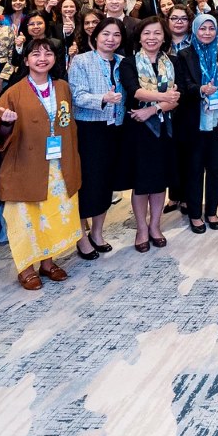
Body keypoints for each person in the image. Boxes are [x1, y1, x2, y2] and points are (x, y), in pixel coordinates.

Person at [0, 38, 80, 291]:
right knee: (25, 217)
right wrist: (6, 122)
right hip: (26, 165)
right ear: (26, 60)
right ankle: (26, 268)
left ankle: (48, 263)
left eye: (48, 54)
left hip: (58, 164)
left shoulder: (62, 87)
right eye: (36, 54)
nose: (42, 58)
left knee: (50, 214)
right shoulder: (14, 92)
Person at [67, 16, 128, 258]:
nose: (111, 39)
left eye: (116, 35)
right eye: (106, 34)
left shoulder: (123, 62)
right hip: (89, 129)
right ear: (95, 36)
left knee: (106, 182)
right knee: (88, 182)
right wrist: (102, 98)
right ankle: (81, 236)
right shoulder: (81, 61)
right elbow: (76, 96)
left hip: (115, 128)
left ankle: (98, 232)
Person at [121, 16, 180, 252]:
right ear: (139, 37)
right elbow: (135, 91)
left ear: (164, 36)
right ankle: (141, 228)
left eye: (156, 33)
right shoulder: (128, 63)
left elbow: (179, 98)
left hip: (164, 127)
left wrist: (154, 109)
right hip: (138, 130)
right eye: (146, 33)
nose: (151, 38)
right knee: (141, 182)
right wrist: (165, 97)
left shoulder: (173, 61)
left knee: (159, 181)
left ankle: (155, 226)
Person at [179, 12, 218, 231]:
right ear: (194, 30)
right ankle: (195, 214)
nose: (207, 33)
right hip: (194, 121)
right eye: (202, 28)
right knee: (194, 170)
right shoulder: (184, 55)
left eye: (211, 28)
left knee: (214, 168)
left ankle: (211, 211)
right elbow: (182, 87)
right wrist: (200, 90)